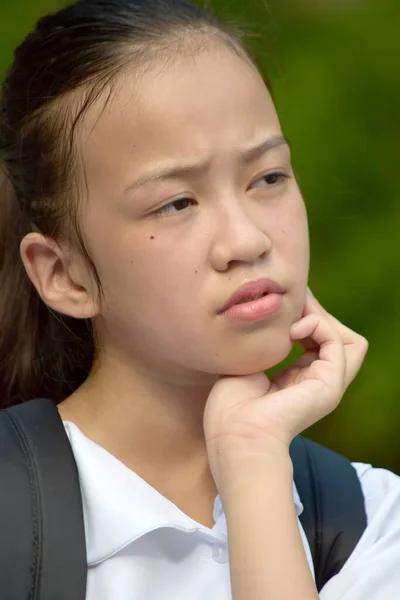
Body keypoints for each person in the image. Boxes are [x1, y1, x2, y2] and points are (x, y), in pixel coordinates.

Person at [0, 0, 399, 598]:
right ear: (65, 274)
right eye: (177, 203)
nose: (248, 240)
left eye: (268, 177)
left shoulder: (370, 519)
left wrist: (254, 462)